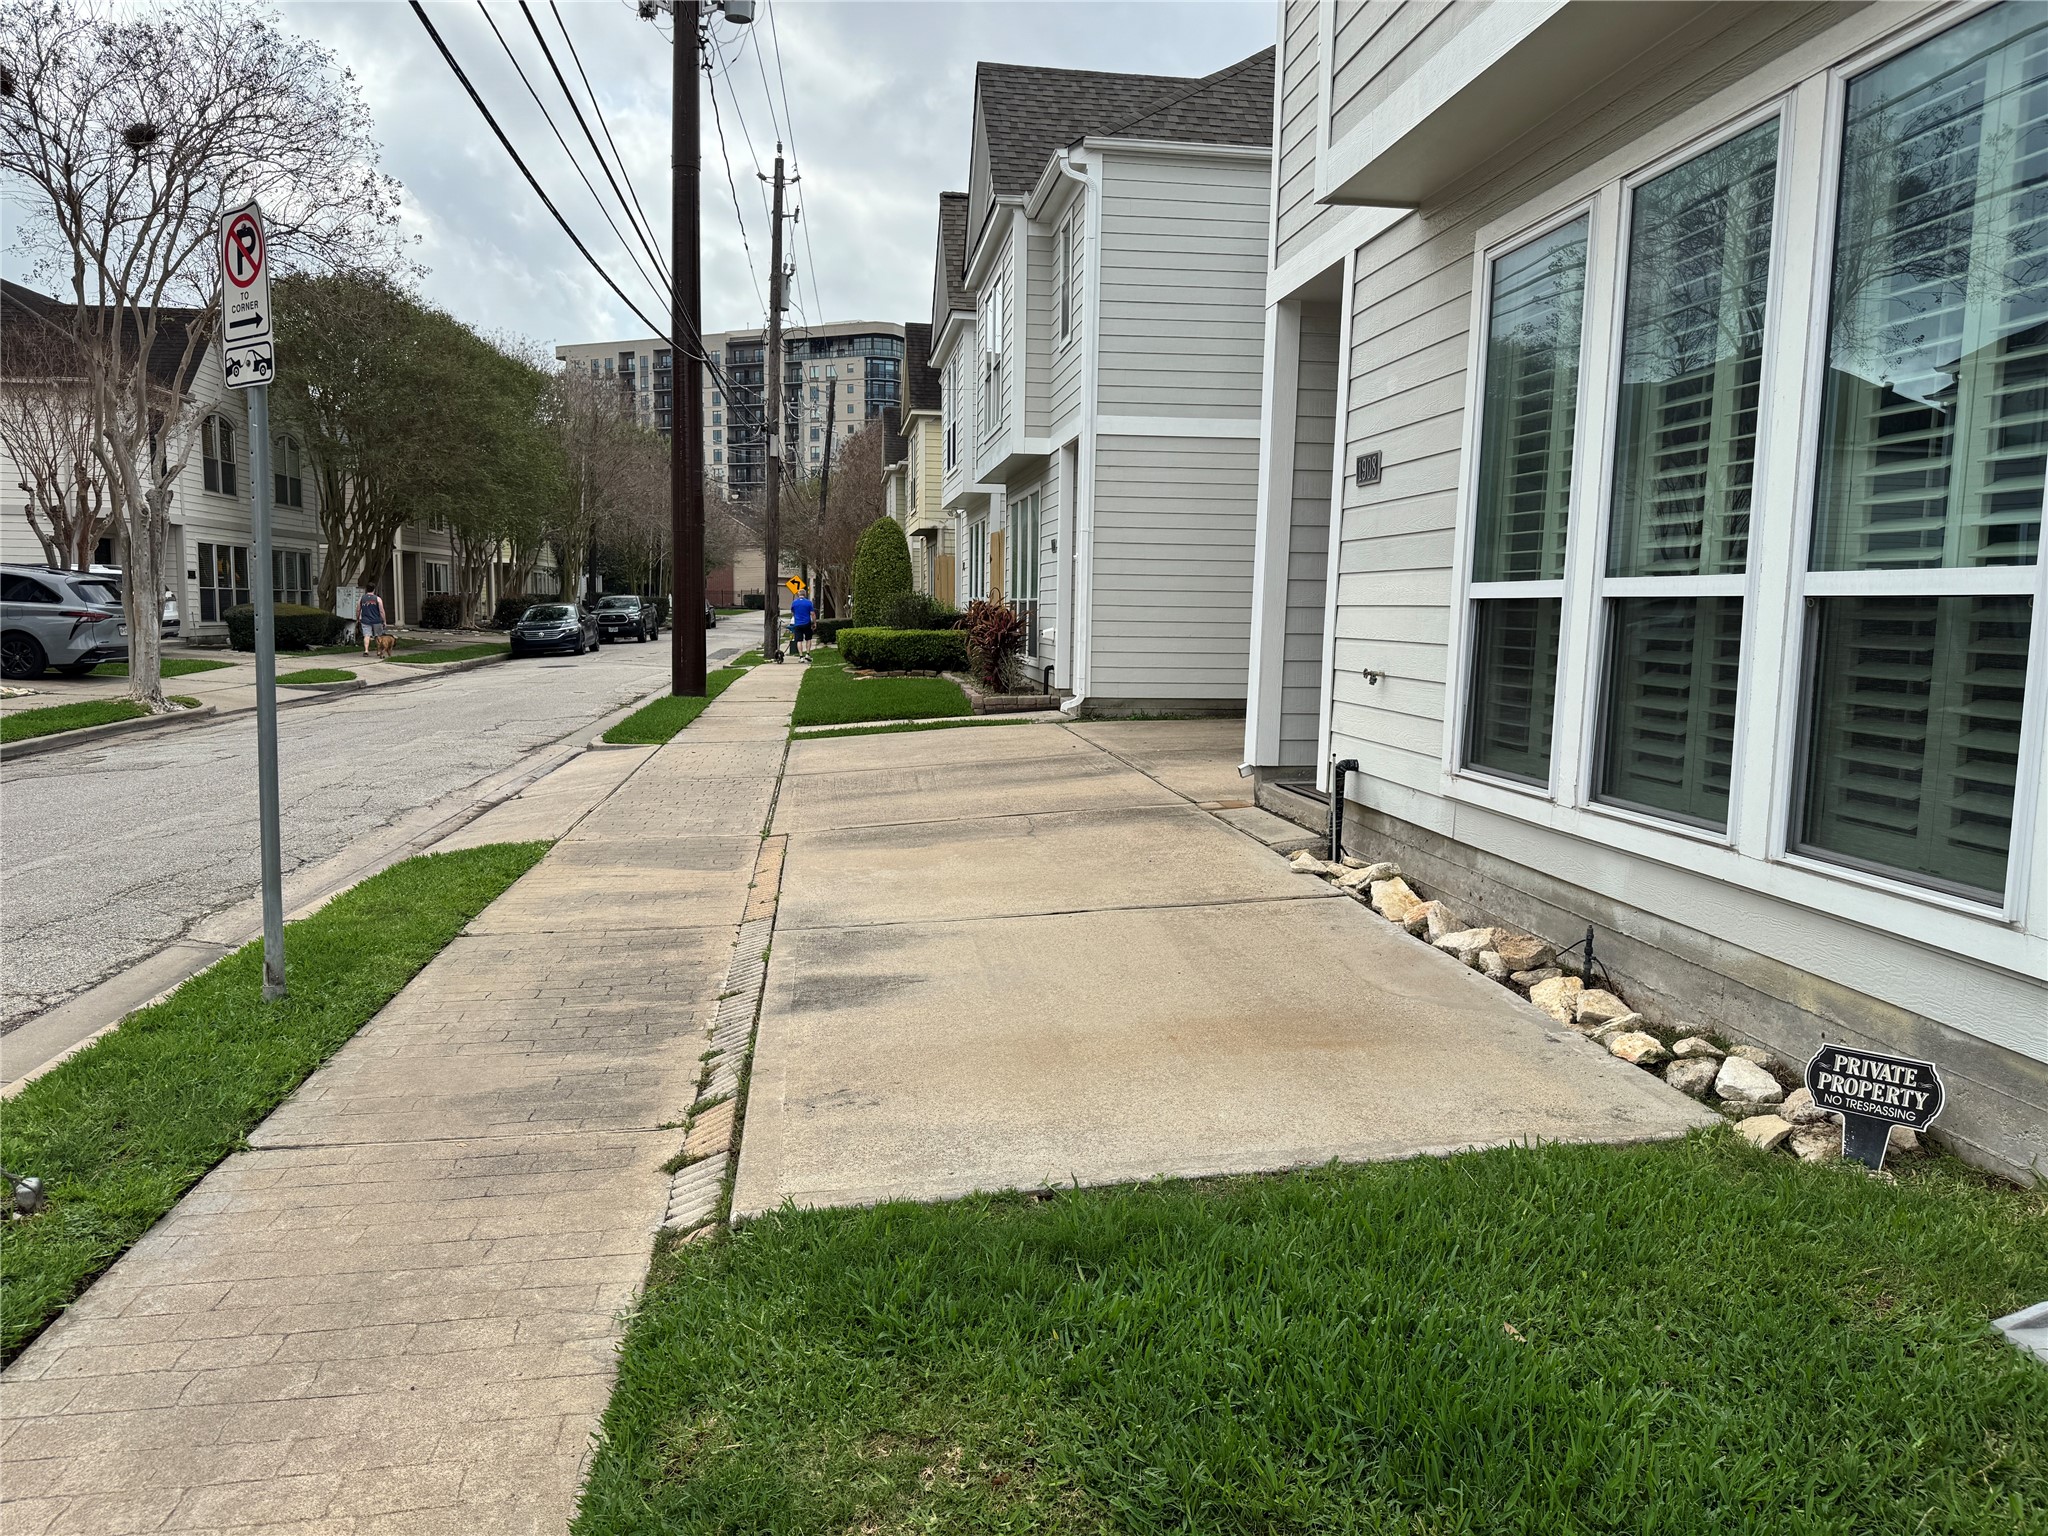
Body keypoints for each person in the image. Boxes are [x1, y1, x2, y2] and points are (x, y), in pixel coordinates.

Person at [356, 583, 387, 656]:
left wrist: (358, 618)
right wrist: (384, 620)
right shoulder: (378, 599)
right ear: (374, 589)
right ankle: (379, 651)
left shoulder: (362, 599)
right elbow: (381, 611)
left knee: (367, 635)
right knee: (378, 636)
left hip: (365, 620)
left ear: (366, 589)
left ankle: (366, 650)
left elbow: (358, 609)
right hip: (377, 620)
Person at [789, 589, 815, 658]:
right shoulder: (809, 602)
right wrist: (814, 623)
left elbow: (792, 612)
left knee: (799, 640)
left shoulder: (794, 602)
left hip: (797, 624)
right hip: (807, 623)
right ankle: (807, 654)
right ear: (805, 594)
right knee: (808, 639)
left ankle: (801, 656)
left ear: (798, 594)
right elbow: (812, 613)